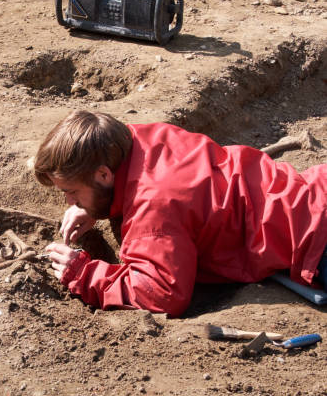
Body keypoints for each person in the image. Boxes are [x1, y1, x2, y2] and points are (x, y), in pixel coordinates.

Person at [34, 110, 327, 317]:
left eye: (71, 191)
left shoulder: (154, 205)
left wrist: (85, 275)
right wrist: (95, 205)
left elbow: (163, 292)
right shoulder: (137, 138)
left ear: (103, 175)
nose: (70, 201)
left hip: (316, 241)